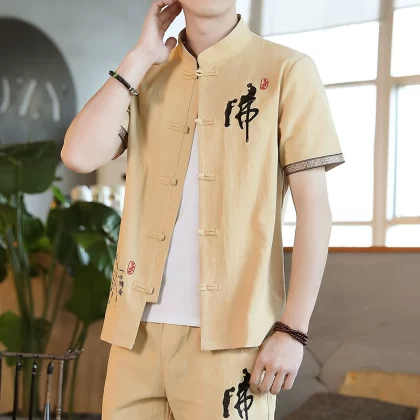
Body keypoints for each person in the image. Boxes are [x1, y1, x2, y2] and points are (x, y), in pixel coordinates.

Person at [61, 0, 345, 418]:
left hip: (234, 340)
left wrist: (293, 330)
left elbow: (315, 211)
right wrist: (138, 57)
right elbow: (78, 155)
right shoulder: (146, 74)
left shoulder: (288, 70)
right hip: (135, 337)